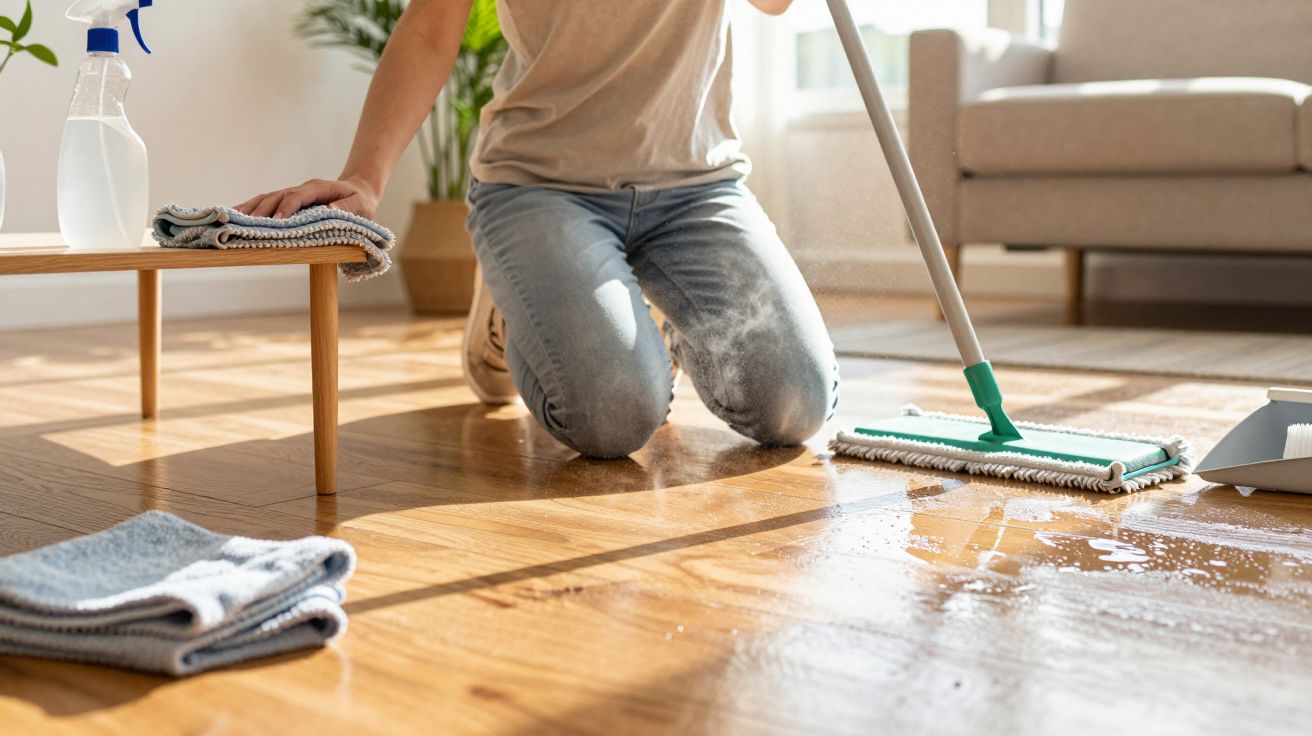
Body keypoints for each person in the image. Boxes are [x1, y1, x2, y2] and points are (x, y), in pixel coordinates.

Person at [237, 0, 837, 459]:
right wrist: (364, 178)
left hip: (696, 186)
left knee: (794, 404)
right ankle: (515, 297)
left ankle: (634, 310)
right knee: (615, 416)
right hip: (541, 187)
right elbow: (429, 29)